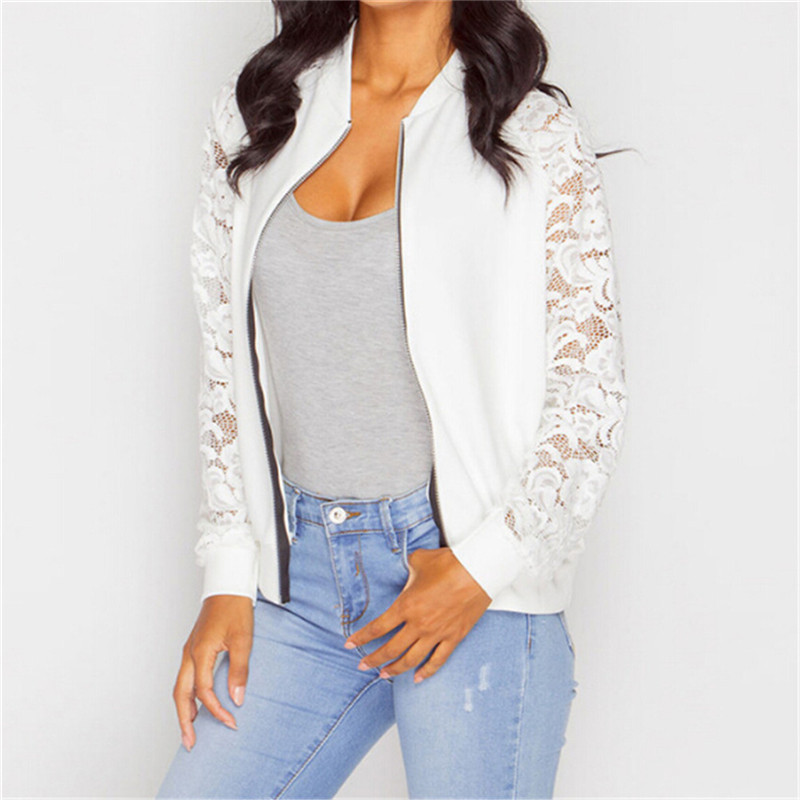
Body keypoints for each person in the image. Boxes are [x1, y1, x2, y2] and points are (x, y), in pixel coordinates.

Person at [157, 0, 629, 797]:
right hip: (299, 578)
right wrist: (229, 574)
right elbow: (224, 362)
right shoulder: (262, 113)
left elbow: (590, 391)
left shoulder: (531, 131)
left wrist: (481, 569)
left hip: (471, 580)